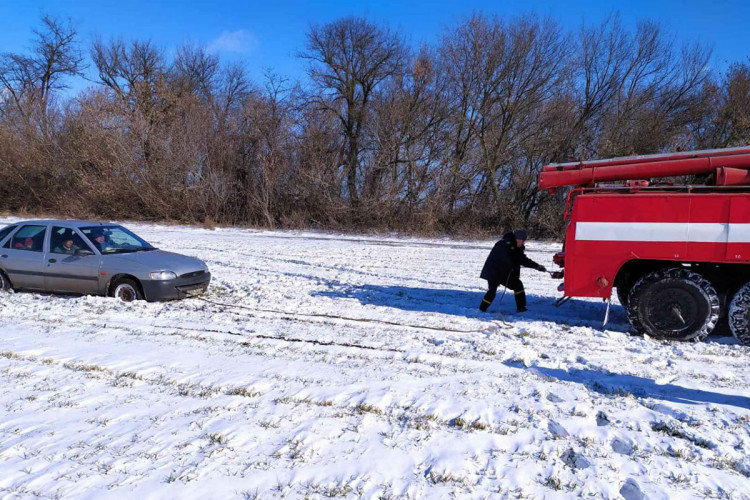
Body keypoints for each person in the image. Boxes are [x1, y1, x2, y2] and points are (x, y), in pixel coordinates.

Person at [479, 229, 546, 313]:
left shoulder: (517, 247)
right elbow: (506, 258)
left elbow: (522, 259)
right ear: (517, 239)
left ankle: (521, 308)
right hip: (494, 271)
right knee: (492, 292)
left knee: (518, 285)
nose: (523, 243)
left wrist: (537, 266)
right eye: (522, 241)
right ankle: (482, 309)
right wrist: (513, 264)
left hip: (505, 273)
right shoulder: (503, 244)